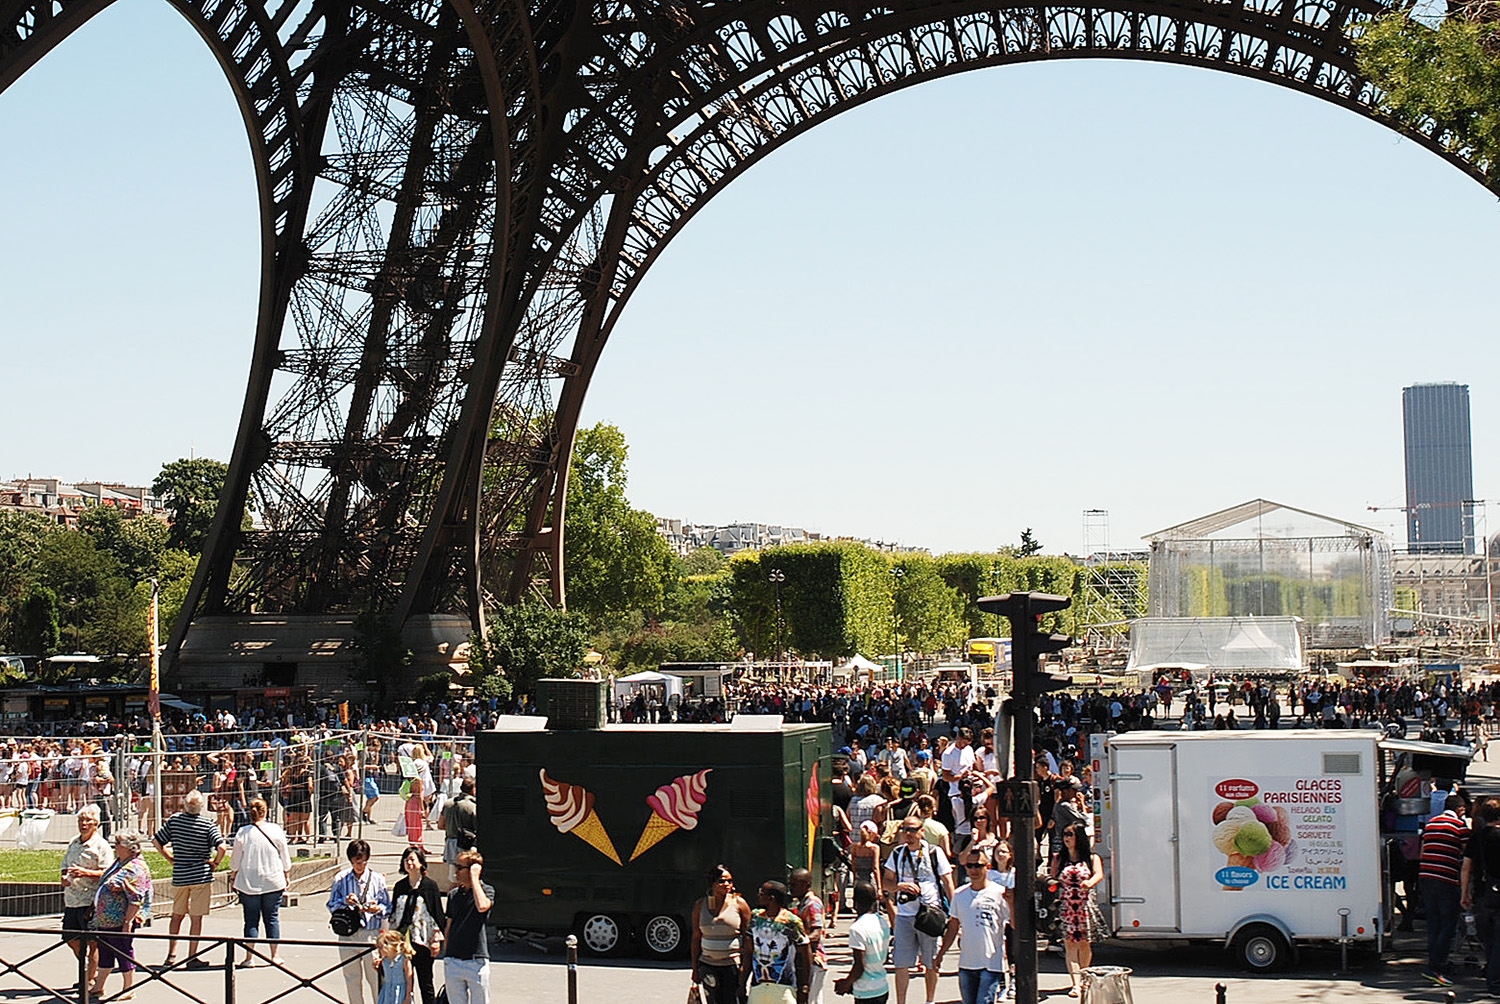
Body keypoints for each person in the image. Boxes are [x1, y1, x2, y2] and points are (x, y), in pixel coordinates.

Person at [153, 788, 228, 967]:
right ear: (201, 807)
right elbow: (222, 848)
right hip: (200, 875)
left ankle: (171, 954)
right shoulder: (208, 824)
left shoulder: (174, 821)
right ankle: (192, 956)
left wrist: (169, 857)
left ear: (185, 805)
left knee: (176, 915)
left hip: (180, 874)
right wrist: (215, 863)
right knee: (196, 917)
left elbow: (157, 841)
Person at [884, 814, 954, 1004]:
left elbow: (947, 881)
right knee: (901, 963)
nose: (908, 834)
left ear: (921, 832)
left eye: (912, 830)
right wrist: (900, 886)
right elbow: (886, 883)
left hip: (929, 913)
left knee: (931, 962)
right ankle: (901, 1001)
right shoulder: (897, 854)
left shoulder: (934, 852)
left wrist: (955, 910)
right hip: (905, 914)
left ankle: (929, 1000)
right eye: (905, 829)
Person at [936, 846, 1009, 1004]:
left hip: (991, 963)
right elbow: (953, 927)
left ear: (988, 867)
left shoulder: (1000, 893)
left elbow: (1014, 925)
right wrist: (941, 954)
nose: (974, 870)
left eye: (978, 865)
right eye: (970, 866)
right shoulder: (959, 895)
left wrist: (1011, 902)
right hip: (967, 964)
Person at [89, 830, 153, 1001]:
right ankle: (99, 986)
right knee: (106, 952)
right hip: (106, 919)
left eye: (118, 843)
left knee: (123, 952)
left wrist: (127, 922)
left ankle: (129, 987)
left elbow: (136, 898)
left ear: (129, 847)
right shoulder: (119, 862)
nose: (115, 846)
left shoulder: (135, 868)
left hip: (120, 919)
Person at [328, 838, 391, 1004]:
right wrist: (345, 902)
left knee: (376, 978)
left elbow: (388, 907)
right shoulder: (341, 879)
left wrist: (376, 908)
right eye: (356, 862)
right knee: (352, 978)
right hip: (348, 934)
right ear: (351, 860)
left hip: (370, 934)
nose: (360, 866)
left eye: (363, 862)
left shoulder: (377, 879)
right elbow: (331, 904)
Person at [230, 796, 292, 967]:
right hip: (273, 879)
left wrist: (233, 874)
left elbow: (236, 860)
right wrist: (287, 873)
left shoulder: (243, 832)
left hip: (249, 881)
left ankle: (249, 957)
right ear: (266, 812)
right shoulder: (276, 830)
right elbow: (284, 855)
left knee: (250, 920)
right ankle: (275, 955)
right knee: (272, 918)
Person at [1419, 792, 1469, 987]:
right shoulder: (1459, 826)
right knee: (1448, 925)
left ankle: (1434, 962)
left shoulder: (1431, 824)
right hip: (1446, 879)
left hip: (1426, 877)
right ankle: (1435, 967)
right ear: (1461, 810)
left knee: (1434, 924)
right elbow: (1467, 854)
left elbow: (1422, 851)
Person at [1052, 822, 1104, 997]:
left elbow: (1098, 873)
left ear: (1079, 837)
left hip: (1084, 905)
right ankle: (1075, 983)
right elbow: (1052, 878)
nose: (1066, 838)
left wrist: (1090, 882)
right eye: (1065, 834)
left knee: (1084, 944)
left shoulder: (1091, 858)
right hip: (1067, 906)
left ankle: (1084, 978)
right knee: (1070, 945)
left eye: (1070, 834)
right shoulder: (1059, 858)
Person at [60, 805, 111, 987]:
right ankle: (90, 968)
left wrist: (85, 873)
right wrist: (64, 878)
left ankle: (88, 979)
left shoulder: (102, 845)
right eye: (81, 820)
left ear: (96, 823)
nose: (84, 824)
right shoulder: (74, 842)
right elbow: (65, 865)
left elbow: (108, 873)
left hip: (90, 902)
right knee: (70, 938)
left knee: (92, 942)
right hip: (72, 900)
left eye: (88, 820)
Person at [391, 846, 446, 1004]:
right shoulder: (400, 886)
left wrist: (436, 939)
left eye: (412, 859)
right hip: (402, 940)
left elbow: (437, 914)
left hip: (423, 940)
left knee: (425, 981)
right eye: (406, 860)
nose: (409, 863)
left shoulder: (430, 886)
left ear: (421, 863)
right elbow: (393, 914)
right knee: (403, 981)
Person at [692, 864, 753, 1004]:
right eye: (722, 881)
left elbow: (748, 938)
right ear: (712, 883)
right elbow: (696, 938)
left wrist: (745, 967)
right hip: (707, 965)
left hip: (732, 966)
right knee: (712, 1000)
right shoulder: (700, 905)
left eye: (729, 881)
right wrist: (695, 969)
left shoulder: (739, 904)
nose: (727, 884)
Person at [442, 849, 494, 1004]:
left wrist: (474, 878)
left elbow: (483, 906)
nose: (456, 871)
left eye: (459, 867)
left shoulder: (487, 891)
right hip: (454, 959)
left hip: (476, 960)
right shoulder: (454, 894)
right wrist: (447, 953)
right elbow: (449, 925)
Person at [748, 881, 811, 1004]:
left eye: (761, 894)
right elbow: (749, 950)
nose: (758, 896)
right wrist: (742, 980)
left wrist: (804, 985)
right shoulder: (755, 917)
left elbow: (805, 952)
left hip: (784, 986)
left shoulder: (790, 921)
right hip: (758, 985)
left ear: (771, 899)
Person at [834, 880, 895, 1004]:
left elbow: (859, 966)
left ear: (855, 903)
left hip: (865, 991)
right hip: (882, 986)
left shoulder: (857, 929)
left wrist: (846, 984)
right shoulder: (882, 922)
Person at [1463, 797, 1500, 995]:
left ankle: (1491, 973)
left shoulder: (1476, 837)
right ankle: (1494, 982)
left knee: (1488, 939)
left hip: (1482, 894)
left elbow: (1466, 868)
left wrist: (1464, 893)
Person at [790, 869, 826, 1004]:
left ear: (806, 884)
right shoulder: (802, 904)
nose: (791, 888)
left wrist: (799, 942)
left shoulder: (812, 904)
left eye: (794, 885)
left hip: (814, 960)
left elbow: (816, 933)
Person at [440, 777, 478, 879]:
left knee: (454, 877)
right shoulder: (472, 806)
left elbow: (440, 825)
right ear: (473, 789)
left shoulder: (448, 804)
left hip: (450, 845)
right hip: (466, 847)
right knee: (466, 879)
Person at [373, 929, 415, 1004]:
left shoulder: (404, 960)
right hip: (387, 991)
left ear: (390, 947)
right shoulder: (385, 960)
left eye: (381, 947)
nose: (379, 950)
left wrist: (408, 997)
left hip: (400, 992)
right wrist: (377, 968)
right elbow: (385, 975)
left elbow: (409, 980)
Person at [405, 777, 427, 851]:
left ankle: (412, 843)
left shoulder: (410, 779)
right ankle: (419, 844)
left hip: (409, 802)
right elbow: (420, 795)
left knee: (411, 825)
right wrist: (422, 809)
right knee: (418, 825)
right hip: (416, 804)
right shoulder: (418, 780)